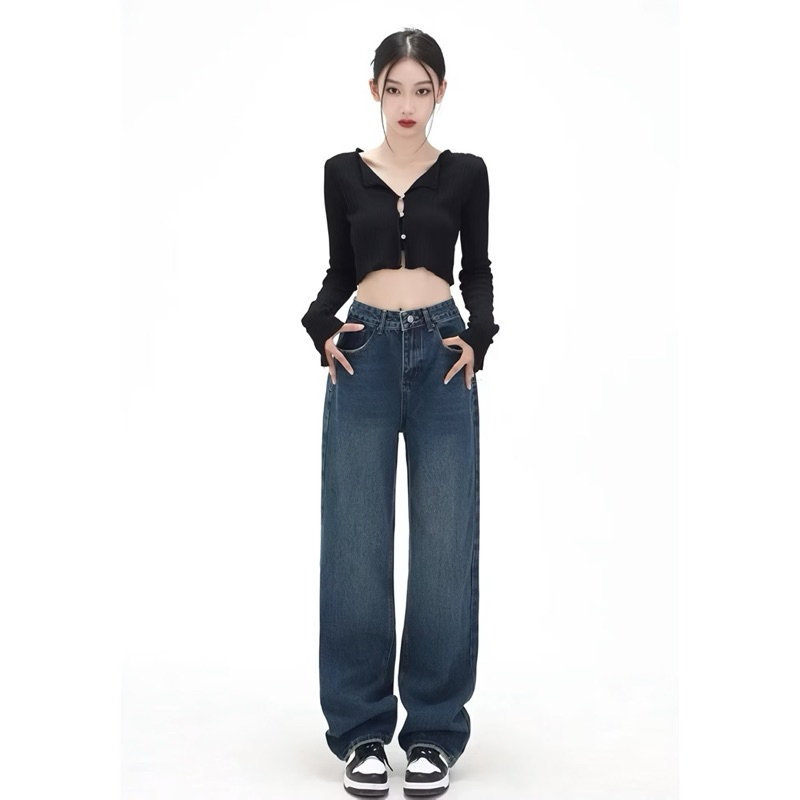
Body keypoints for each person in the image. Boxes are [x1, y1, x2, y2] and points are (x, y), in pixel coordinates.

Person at [301, 28, 499, 798]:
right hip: (365, 353)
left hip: (445, 356)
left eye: (422, 89)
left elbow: (476, 269)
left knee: (445, 543)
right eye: (395, 88)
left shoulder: (467, 173)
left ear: (441, 91)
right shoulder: (342, 173)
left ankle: (432, 734)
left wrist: (478, 337)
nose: (408, 104)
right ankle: (361, 731)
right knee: (356, 541)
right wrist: (320, 325)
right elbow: (340, 270)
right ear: (375, 91)